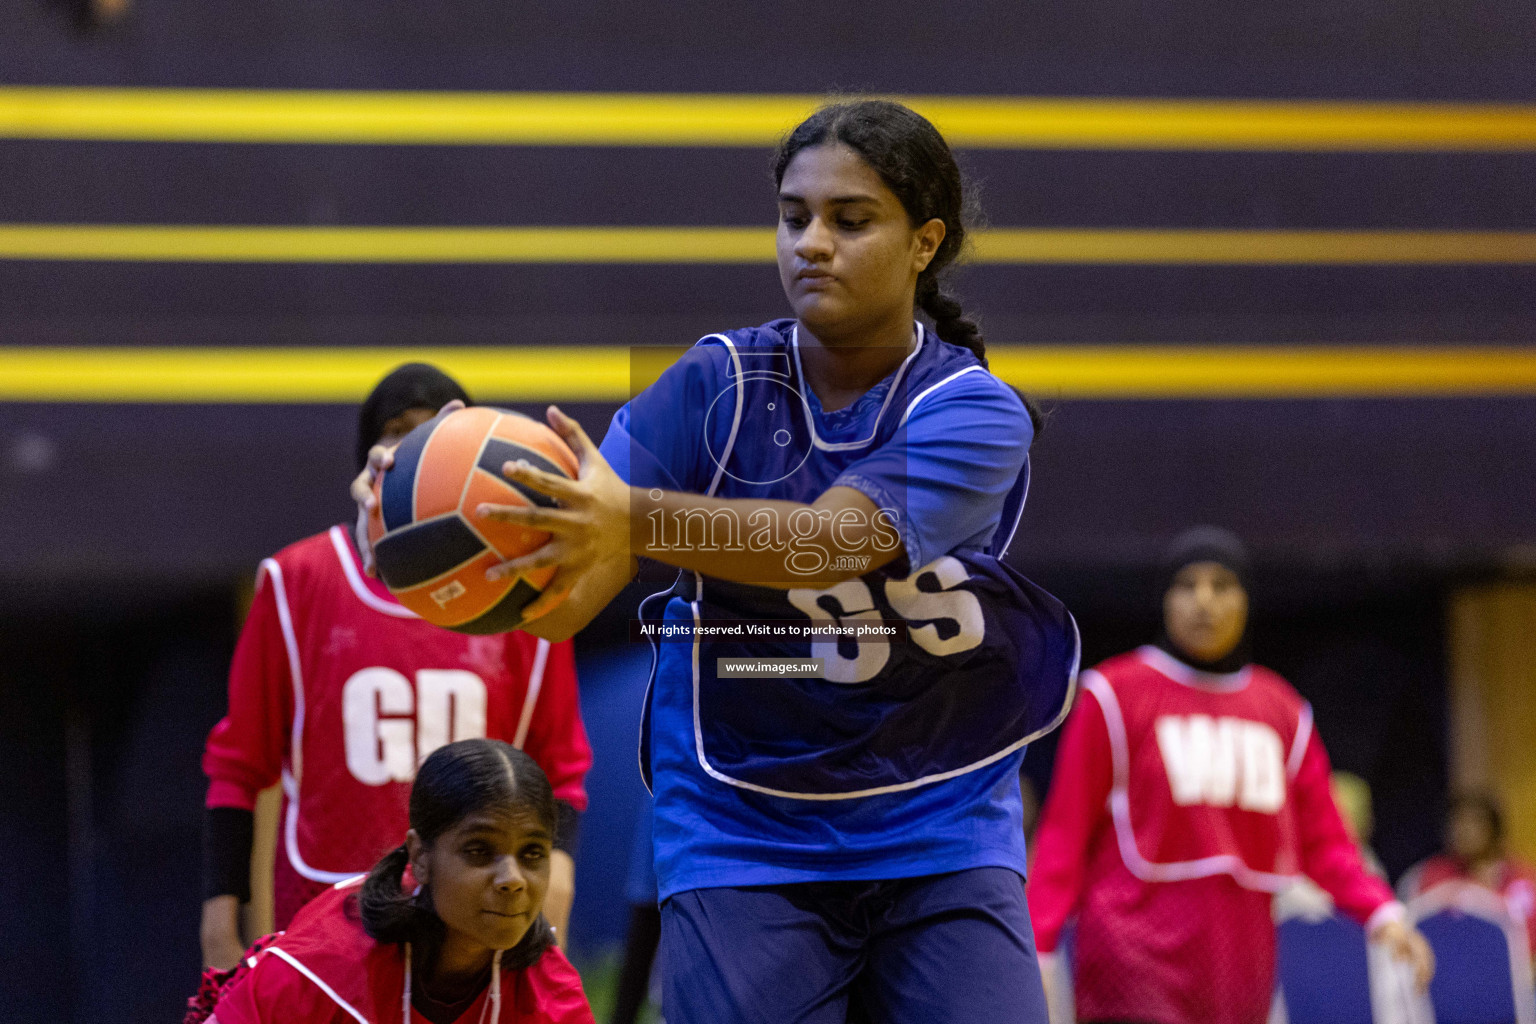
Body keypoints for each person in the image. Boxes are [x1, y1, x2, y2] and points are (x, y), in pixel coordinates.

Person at [357, 99, 1079, 1023]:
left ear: (925, 242)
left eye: (849, 220)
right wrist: (435, 538)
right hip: (744, 825)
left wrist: (631, 515)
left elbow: (830, 544)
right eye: (793, 216)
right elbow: (564, 605)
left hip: (937, 819)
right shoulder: (708, 384)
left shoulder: (976, 411)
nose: (811, 242)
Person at [202, 364, 591, 970]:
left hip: (476, 917)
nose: (414, 449)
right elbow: (238, 766)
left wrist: (558, 885)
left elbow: (562, 771)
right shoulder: (296, 579)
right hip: (327, 911)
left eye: (434, 432)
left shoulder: (524, 594)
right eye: (396, 433)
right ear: (366, 462)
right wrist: (220, 925)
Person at [1026, 527, 1434, 1024]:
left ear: (1245, 599)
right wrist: (1038, 947)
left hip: (1241, 967)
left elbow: (1325, 841)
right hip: (1130, 959)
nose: (1204, 601)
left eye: (1222, 585)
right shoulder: (1113, 694)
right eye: (1187, 585)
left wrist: (1383, 914)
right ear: (1164, 599)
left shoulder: (1280, 708)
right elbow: (1064, 837)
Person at [188, 738, 594, 1024]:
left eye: (532, 855)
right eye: (478, 851)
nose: (512, 880)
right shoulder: (325, 963)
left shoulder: (550, 990)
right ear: (420, 857)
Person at [1400, 792, 1536, 954]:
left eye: (1474, 821)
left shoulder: (1525, 880)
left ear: (1494, 827)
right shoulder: (1432, 877)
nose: (1463, 829)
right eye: (1457, 821)